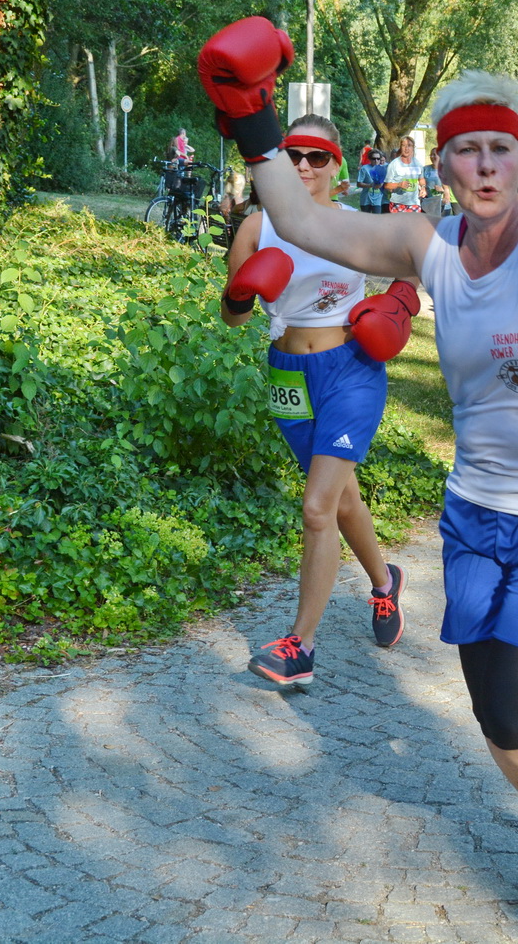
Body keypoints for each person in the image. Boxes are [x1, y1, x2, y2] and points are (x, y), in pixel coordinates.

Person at [197, 16, 518, 926]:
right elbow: (302, 216)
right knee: (495, 722)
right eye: (467, 151)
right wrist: (251, 117)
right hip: (474, 511)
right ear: (447, 166)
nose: (487, 166)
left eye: (503, 147)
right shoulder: (427, 247)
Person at [220, 113, 418, 686]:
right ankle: (386, 584)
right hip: (288, 372)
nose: (303, 167)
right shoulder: (257, 226)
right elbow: (233, 321)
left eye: (316, 157)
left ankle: (300, 646)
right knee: (341, 501)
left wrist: (398, 307)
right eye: (293, 155)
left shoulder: (355, 226)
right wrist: (239, 291)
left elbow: (417, 272)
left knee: (315, 507)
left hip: (351, 371)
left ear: (339, 165)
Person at [385, 135, 425, 213]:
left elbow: (421, 179)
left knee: (413, 225)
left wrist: (423, 187)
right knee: (399, 225)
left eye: (409, 145)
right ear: (400, 147)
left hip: (414, 203)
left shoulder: (418, 164)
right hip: (398, 203)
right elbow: (386, 185)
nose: (406, 148)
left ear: (413, 147)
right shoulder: (394, 164)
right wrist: (399, 185)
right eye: (404, 145)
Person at [356, 147, 387, 213]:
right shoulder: (364, 169)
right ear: (370, 159)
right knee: (366, 220)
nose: (376, 160)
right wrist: (370, 185)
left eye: (378, 159)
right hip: (366, 199)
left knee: (376, 220)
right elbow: (358, 184)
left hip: (378, 200)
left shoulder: (383, 169)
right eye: (374, 158)